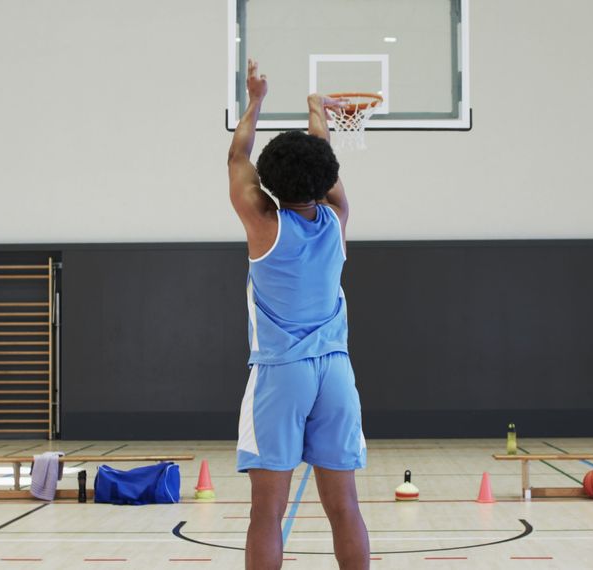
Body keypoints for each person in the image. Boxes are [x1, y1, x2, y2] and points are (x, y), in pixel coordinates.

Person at [227, 58, 370, 570]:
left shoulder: (263, 224)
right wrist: (318, 111)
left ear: (270, 184)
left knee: (266, 512)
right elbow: (324, 165)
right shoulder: (337, 218)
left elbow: (236, 154)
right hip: (335, 372)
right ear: (324, 179)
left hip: (280, 373)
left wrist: (257, 99)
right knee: (345, 507)